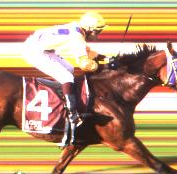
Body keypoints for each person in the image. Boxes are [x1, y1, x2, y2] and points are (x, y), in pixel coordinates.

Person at [23, 12, 111, 147]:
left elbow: (87, 51)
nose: (98, 34)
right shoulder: (77, 37)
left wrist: (108, 58)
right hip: (34, 51)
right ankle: (72, 113)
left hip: (42, 47)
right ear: (89, 28)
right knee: (67, 76)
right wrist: (105, 65)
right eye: (97, 31)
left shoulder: (77, 29)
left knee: (69, 68)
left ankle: (59, 94)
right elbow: (84, 64)